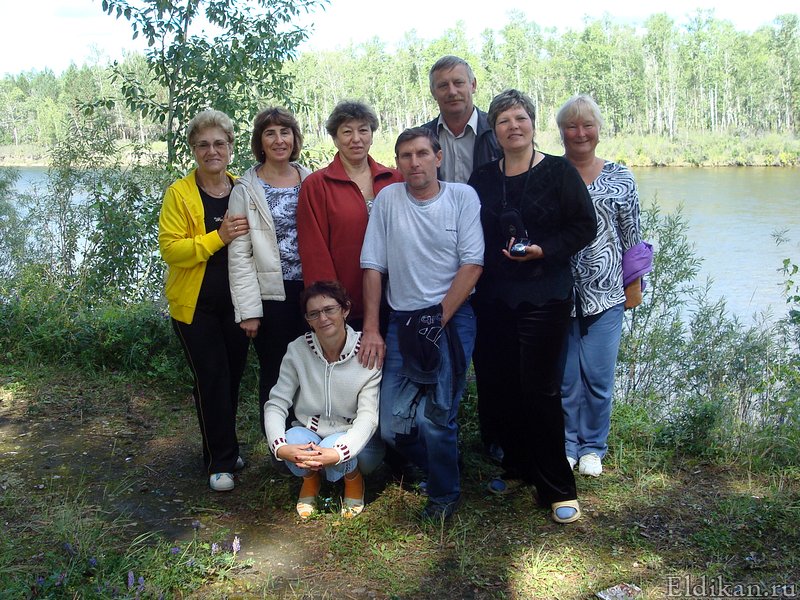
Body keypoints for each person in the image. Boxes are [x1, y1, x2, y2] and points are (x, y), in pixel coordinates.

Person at [467, 89, 597, 523]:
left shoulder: (559, 171)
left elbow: (584, 226)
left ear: (533, 123)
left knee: (540, 390)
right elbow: (470, 233)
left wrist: (545, 249)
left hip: (545, 296)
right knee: (501, 385)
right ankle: (518, 466)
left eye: (520, 118)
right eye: (504, 121)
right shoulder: (482, 178)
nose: (513, 127)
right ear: (494, 131)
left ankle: (557, 486)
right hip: (493, 299)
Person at [360, 127, 484, 522]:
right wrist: (373, 328)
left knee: (438, 415)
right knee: (390, 424)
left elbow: (473, 264)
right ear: (397, 162)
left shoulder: (462, 197)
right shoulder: (388, 199)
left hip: (451, 317)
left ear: (438, 157)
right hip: (402, 321)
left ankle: (444, 495)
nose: (414, 162)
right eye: (405, 156)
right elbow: (373, 266)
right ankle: (444, 465)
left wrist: (438, 317)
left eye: (422, 154)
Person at [158, 109, 250, 492]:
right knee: (212, 377)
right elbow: (171, 250)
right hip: (194, 307)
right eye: (203, 145)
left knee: (231, 380)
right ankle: (220, 461)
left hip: (240, 304)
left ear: (230, 147)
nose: (212, 151)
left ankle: (223, 447)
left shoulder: (243, 188)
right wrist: (219, 237)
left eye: (219, 143)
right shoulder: (179, 193)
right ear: (193, 150)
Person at [556, 94, 648, 477]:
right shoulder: (549, 173)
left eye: (587, 125)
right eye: (572, 126)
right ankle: (566, 445)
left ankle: (593, 447)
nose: (580, 133)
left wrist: (634, 287)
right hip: (558, 294)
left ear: (598, 130)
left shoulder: (620, 177)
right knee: (564, 380)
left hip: (607, 294)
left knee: (597, 378)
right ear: (561, 132)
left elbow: (633, 238)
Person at [264, 281, 383, 519]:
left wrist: (339, 453)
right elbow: (276, 403)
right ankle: (311, 480)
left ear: (345, 309)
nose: (323, 318)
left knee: (337, 447)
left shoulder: (366, 350)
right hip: (311, 433)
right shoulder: (298, 350)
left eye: (330, 309)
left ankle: (353, 478)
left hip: (352, 436)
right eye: (314, 313)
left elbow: (368, 416)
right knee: (292, 438)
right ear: (308, 320)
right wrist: (280, 447)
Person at [228, 107, 311, 433]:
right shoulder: (245, 189)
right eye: (270, 133)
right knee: (277, 373)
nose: (279, 140)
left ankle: (310, 441)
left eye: (285, 132)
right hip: (271, 296)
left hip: (311, 292)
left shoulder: (311, 180)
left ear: (294, 138)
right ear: (260, 142)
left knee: (313, 370)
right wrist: (248, 311)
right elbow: (240, 254)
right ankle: (279, 444)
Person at [297, 101, 403, 328]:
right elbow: (314, 251)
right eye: (347, 132)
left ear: (372, 136)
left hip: (400, 300)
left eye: (363, 130)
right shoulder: (317, 185)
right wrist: (330, 304)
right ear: (335, 139)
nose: (356, 139)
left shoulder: (395, 179)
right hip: (345, 304)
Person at [421, 55, 500, 184]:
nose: (452, 92)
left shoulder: (497, 130)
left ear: (473, 85)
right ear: (433, 92)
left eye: (458, 83)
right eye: (443, 85)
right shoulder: (422, 138)